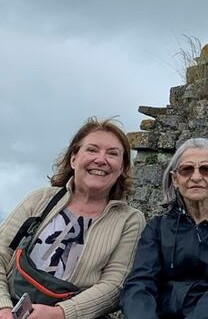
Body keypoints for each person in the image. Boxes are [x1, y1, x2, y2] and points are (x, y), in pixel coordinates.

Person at [0, 118, 144, 319]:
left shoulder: (130, 221)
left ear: (122, 169)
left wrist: (60, 313)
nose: (101, 159)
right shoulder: (40, 199)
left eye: (112, 153)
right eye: (92, 150)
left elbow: (115, 285)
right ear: (73, 159)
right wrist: (3, 308)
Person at [121, 138, 208, 318]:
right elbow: (139, 283)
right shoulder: (158, 228)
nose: (196, 177)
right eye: (186, 170)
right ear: (174, 179)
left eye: (206, 169)